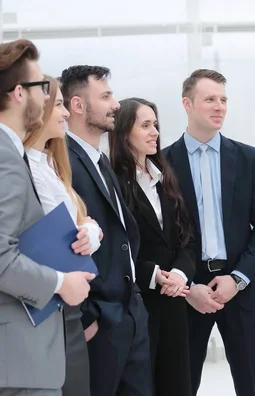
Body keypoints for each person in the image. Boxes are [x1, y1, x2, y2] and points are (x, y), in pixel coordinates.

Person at [163, 68, 255, 396]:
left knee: (253, 385)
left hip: (241, 290)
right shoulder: (163, 163)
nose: (219, 106)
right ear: (187, 104)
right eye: (209, 99)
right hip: (187, 291)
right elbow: (162, 234)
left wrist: (238, 277)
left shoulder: (248, 158)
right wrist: (188, 287)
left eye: (223, 99)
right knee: (179, 385)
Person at [0, 39, 93, 396]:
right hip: (19, 359)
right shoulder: (7, 158)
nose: (49, 97)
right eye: (42, 87)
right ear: (19, 94)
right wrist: (60, 283)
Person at [60, 65, 154, 396]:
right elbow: (60, 244)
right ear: (77, 105)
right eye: (105, 96)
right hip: (99, 321)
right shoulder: (61, 163)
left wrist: (135, 307)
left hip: (130, 315)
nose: (115, 104)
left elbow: (123, 237)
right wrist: (85, 319)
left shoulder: (102, 162)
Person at [23, 75, 103, 396]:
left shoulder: (52, 166)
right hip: (42, 306)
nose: (67, 113)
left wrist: (91, 232)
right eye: (58, 105)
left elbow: (83, 219)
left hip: (69, 307)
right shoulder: (20, 166)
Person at [110, 97, 195, 396]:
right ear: (122, 133)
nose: (155, 132)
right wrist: (154, 274)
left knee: (177, 385)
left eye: (155, 125)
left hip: (174, 301)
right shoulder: (113, 182)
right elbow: (113, 248)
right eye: (145, 125)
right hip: (138, 302)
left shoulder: (166, 177)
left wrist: (181, 275)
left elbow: (186, 237)